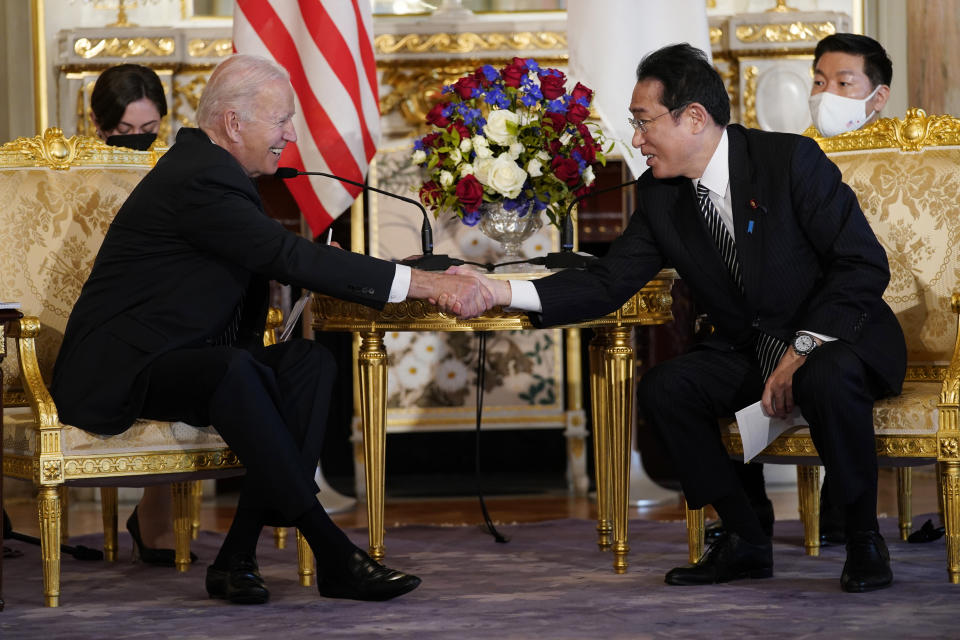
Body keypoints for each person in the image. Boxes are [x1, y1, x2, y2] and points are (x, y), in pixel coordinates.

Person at [456, 43, 906, 592]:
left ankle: (862, 538)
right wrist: (498, 291)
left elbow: (862, 264)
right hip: (750, 349)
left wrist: (804, 348)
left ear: (694, 118)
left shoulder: (788, 161)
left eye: (643, 122)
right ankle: (744, 537)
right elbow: (608, 281)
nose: (637, 139)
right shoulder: (660, 194)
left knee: (828, 374)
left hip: (834, 337)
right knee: (670, 387)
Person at [51, 53, 493, 605]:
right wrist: (426, 287)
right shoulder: (200, 176)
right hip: (123, 368)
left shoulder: (214, 170)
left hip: (187, 359)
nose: (290, 135)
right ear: (234, 124)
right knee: (237, 371)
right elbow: (285, 254)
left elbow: (281, 259)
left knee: (309, 363)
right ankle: (333, 551)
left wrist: (408, 272)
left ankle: (237, 555)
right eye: (281, 120)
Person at [706, 32, 895, 546]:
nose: (824, 92)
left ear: (878, 96)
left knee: (832, 371)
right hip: (794, 317)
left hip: (867, 320)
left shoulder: (914, 165)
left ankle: (854, 523)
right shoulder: (786, 159)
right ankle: (748, 522)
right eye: (818, 80)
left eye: (842, 82)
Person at [90, 63, 167, 150]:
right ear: (96, 121)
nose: (137, 136)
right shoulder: (77, 162)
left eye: (148, 129)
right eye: (123, 129)